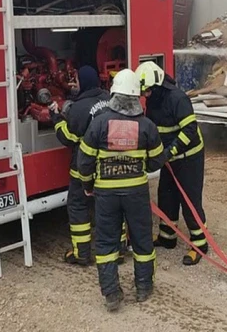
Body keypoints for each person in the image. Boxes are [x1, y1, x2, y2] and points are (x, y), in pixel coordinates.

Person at [77, 69, 168, 311]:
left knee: (106, 244)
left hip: (105, 195)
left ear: (114, 94)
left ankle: (111, 295)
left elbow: (84, 161)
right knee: (141, 240)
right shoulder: (147, 125)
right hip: (136, 193)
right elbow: (158, 160)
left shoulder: (99, 124)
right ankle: (143, 288)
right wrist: (142, 166)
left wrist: (87, 185)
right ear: (137, 97)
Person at [135, 61, 207, 266]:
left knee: (190, 202)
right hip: (169, 157)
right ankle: (167, 238)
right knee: (166, 197)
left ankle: (199, 244)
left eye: (147, 91)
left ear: (157, 85)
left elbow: (190, 130)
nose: (145, 95)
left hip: (188, 158)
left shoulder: (178, 98)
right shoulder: (154, 100)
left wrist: (170, 151)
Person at [50, 65, 110, 266]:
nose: (74, 83)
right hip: (109, 165)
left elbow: (68, 137)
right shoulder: (108, 99)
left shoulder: (79, 108)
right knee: (111, 207)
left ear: (83, 82)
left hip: (84, 167)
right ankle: (118, 250)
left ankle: (82, 253)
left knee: (78, 206)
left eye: (76, 80)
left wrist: (56, 118)